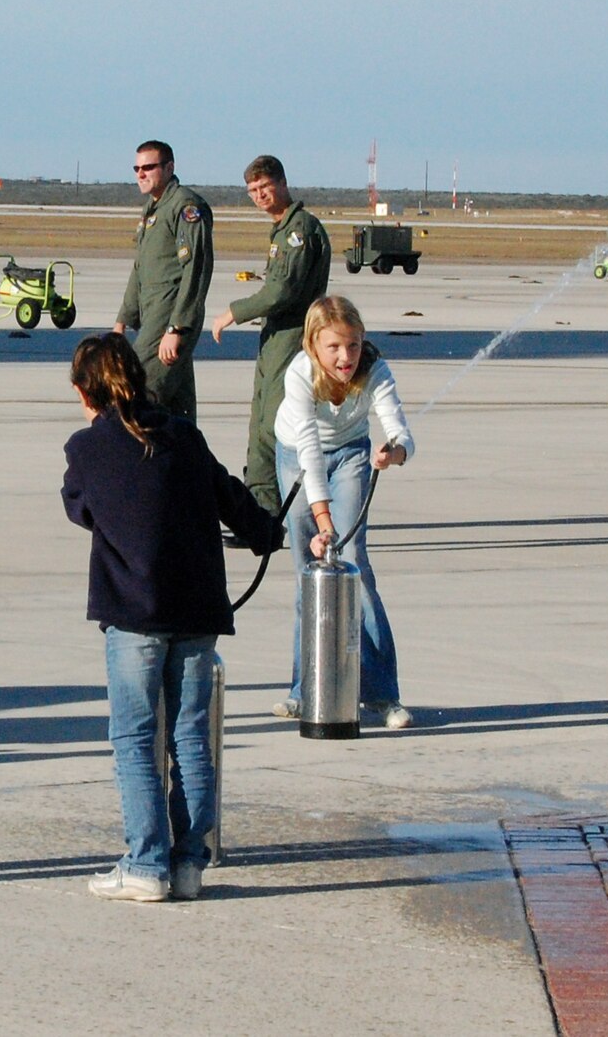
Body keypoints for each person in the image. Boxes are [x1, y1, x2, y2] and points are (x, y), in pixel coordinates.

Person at [61, 333, 284, 902]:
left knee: (135, 738)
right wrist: (266, 533)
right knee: (189, 737)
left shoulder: (88, 448)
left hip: (134, 615)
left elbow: (78, 506)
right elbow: (232, 499)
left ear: (87, 393)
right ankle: (188, 864)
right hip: (197, 609)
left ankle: (144, 862)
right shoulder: (184, 435)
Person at [272, 297, 416, 729]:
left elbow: (401, 430)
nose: (345, 357)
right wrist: (323, 522)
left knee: (353, 563)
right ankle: (305, 689)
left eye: (353, 345)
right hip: (296, 456)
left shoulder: (374, 369)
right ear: (313, 344)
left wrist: (395, 452)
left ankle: (381, 694)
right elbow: (310, 453)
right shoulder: (299, 374)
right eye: (334, 346)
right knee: (310, 572)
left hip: (353, 453)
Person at [208, 155, 331, 516]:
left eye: (264, 187)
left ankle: (266, 511)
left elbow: (281, 291)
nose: (259, 195)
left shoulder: (299, 231)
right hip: (276, 336)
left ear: (281, 183)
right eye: (252, 191)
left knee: (272, 424)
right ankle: (261, 506)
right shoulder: (282, 230)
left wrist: (234, 312)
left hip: (293, 337)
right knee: (261, 418)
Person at [113, 140, 213, 420]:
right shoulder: (152, 210)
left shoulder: (185, 206)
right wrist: (122, 320)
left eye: (149, 167)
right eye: (137, 168)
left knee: (141, 393)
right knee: (177, 409)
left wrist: (177, 328)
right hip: (152, 315)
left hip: (168, 318)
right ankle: (187, 463)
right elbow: (141, 268)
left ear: (169, 168)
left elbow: (196, 270)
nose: (141, 174)